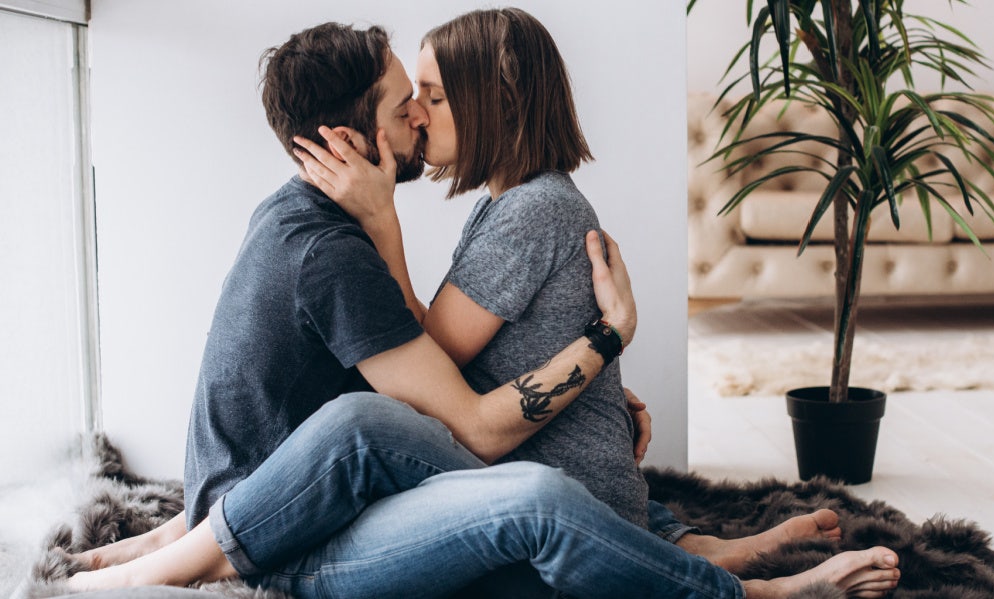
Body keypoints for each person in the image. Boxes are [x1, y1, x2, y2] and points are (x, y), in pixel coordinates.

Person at [65, 15, 901, 599]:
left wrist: (598, 368)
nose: (420, 116)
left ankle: (698, 556)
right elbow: (458, 400)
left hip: (306, 511)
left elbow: (429, 368)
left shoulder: (331, 221)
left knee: (386, 431)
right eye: (407, 104)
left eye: (429, 96)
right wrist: (605, 344)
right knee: (385, 432)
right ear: (351, 140)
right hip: (295, 531)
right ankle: (728, 579)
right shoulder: (341, 247)